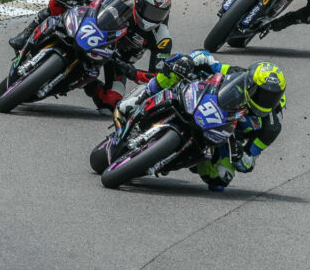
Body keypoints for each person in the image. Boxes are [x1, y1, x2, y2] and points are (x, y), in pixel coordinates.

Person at [117, 51, 287, 191]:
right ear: (252, 84)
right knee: (175, 69)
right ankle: (142, 97)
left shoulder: (271, 127)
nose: (266, 100)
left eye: (272, 98)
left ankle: (174, 158)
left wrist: (239, 154)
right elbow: (206, 58)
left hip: (224, 137)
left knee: (221, 178)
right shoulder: (240, 75)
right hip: (204, 102)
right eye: (263, 94)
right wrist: (188, 60)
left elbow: (249, 163)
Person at [8, 0, 174, 113]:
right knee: (60, 0)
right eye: (149, 11)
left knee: (110, 103)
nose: (152, 18)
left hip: (118, 60)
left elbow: (158, 77)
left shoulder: (162, 39)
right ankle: (24, 37)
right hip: (95, 31)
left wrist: (134, 73)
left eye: (158, 14)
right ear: (139, 2)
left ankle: (89, 84)